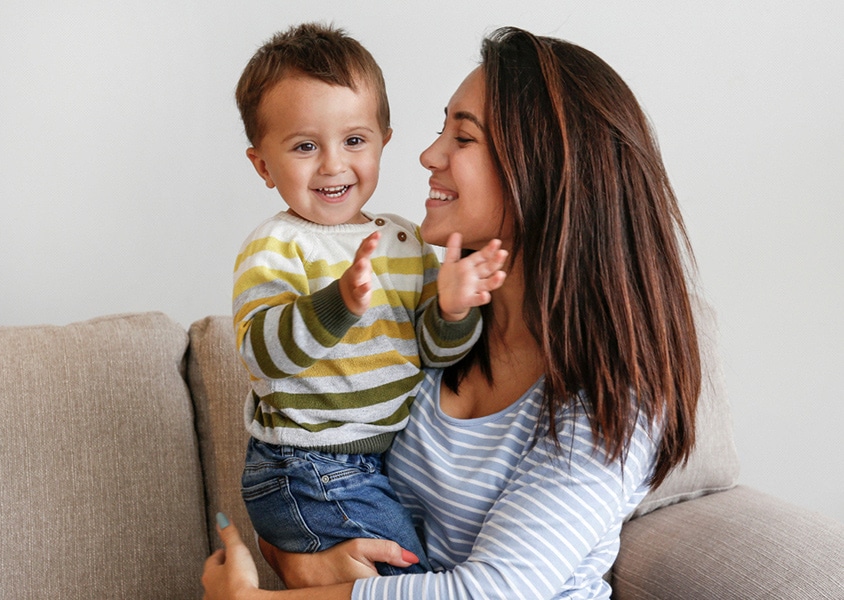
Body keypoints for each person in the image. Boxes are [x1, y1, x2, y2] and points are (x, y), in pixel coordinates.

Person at [206, 25, 700, 599]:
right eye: (442, 129)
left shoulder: (614, 395)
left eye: (462, 137)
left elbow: (494, 592)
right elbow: (310, 487)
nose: (427, 154)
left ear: (539, 171)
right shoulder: (428, 324)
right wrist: (297, 559)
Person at [231, 23, 509, 576]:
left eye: (354, 141)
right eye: (305, 146)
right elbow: (262, 355)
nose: (333, 165)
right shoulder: (277, 245)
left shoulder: (406, 240)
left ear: (384, 140)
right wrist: (336, 304)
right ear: (263, 165)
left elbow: (433, 351)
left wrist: (452, 311)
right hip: (305, 465)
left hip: (375, 463)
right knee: (407, 576)